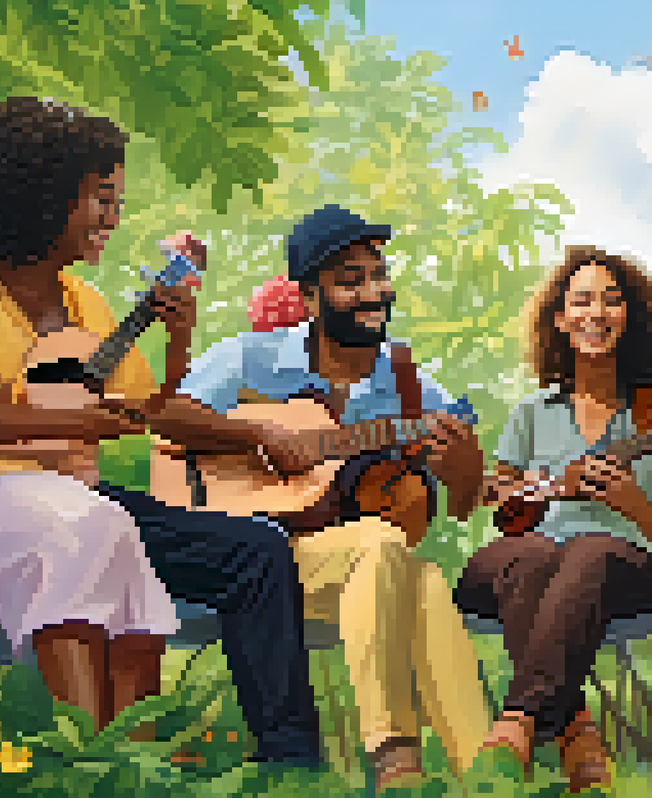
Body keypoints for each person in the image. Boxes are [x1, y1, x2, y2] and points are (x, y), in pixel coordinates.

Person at [0, 96, 324, 769]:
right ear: (42, 196)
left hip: (68, 495)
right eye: (101, 199)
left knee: (254, 548)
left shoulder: (86, 305)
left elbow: (151, 410)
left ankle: (284, 760)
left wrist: (219, 391)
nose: (113, 218)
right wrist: (61, 423)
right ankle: (90, 759)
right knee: (88, 523)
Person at [174, 204, 490, 790]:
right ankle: (395, 757)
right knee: (382, 542)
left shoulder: (410, 386)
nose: (373, 292)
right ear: (310, 298)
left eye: (378, 275)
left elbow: (468, 501)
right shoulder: (249, 358)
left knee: (415, 573)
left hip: (356, 577)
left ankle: (482, 771)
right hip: (257, 568)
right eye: (350, 281)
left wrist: (464, 468)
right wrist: (258, 434)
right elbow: (167, 415)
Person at [455, 246, 652, 792]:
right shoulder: (531, 412)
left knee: (591, 550)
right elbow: (499, 506)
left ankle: (516, 724)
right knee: (537, 554)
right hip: (528, 565)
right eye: (582, 301)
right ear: (560, 320)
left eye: (612, 301)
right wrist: (539, 487)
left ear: (631, 317)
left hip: (627, 572)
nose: (596, 313)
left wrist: (632, 504)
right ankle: (575, 730)